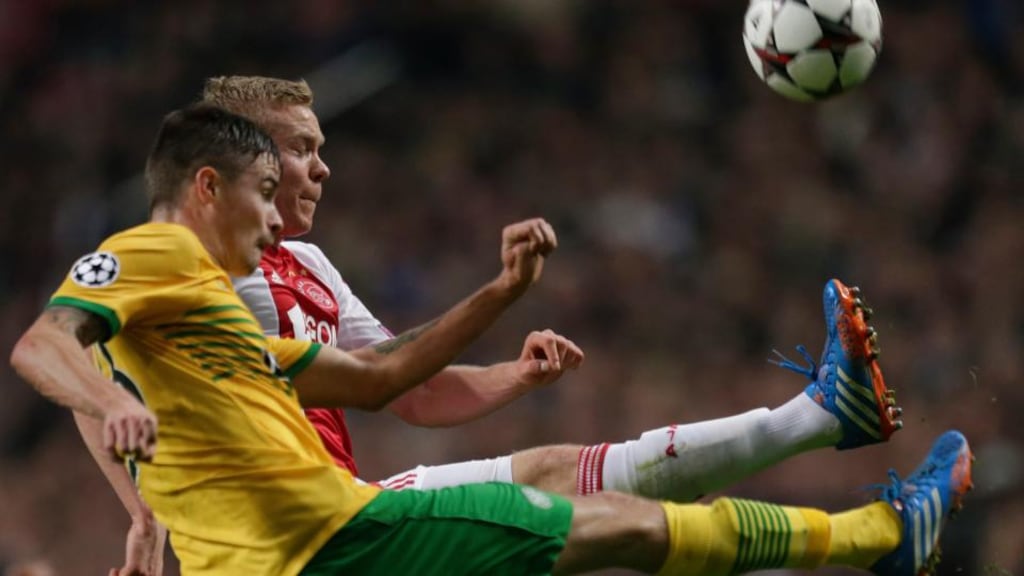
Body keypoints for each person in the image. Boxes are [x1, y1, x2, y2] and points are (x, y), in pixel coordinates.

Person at [10, 104, 973, 576]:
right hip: (330, 549)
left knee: (574, 482)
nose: (280, 218)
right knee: (628, 526)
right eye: (269, 187)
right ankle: (881, 538)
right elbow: (45, 346)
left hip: (334, 530)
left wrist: (501, 296)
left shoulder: (218, 324)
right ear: (209, 188)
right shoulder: (152, 252)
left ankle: (838, 456)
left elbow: (385, 378)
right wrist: (110, 405)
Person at [207, 75, 904, 497]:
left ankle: (830, 444)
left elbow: (411, 387)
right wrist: (140, 512)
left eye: (322, 149)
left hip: (337, 515)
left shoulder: (311, 265)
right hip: (290, 541)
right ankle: (833, 456)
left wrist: (515, 374)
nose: (324, 169)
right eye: (303, 150)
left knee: (576, 497)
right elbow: (94, 350)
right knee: (571, 499)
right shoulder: (190, 264)